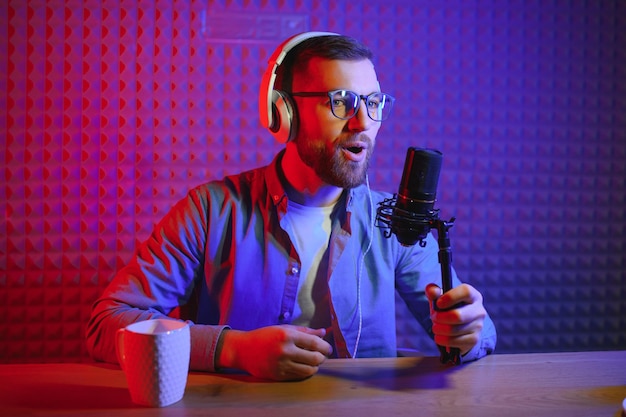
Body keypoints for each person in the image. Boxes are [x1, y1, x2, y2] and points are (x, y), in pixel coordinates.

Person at [86, 31, 496, 381]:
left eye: (373, 103)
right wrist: (233, 349)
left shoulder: (391, 219)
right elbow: (107, 324)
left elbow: (475, 334)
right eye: (341, 101)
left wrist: (466, 331)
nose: (362, 123)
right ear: (284, 113)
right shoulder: (211, 211)